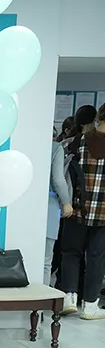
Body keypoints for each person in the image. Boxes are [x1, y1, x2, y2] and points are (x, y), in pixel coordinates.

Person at [60, 103, 105, 319]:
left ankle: (69, 297)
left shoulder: (76, 142)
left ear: (98, 118)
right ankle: (90, 305)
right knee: (97, 257)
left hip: (76, 209)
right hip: (103, 214)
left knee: (71, 253)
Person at [44, 139, 72, 286]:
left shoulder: (24, 142)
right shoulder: (55, 148)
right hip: (49, 204)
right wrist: (66, 202)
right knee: (46, 260)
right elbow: (58, 179)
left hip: (23, 203)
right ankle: (41, 296)